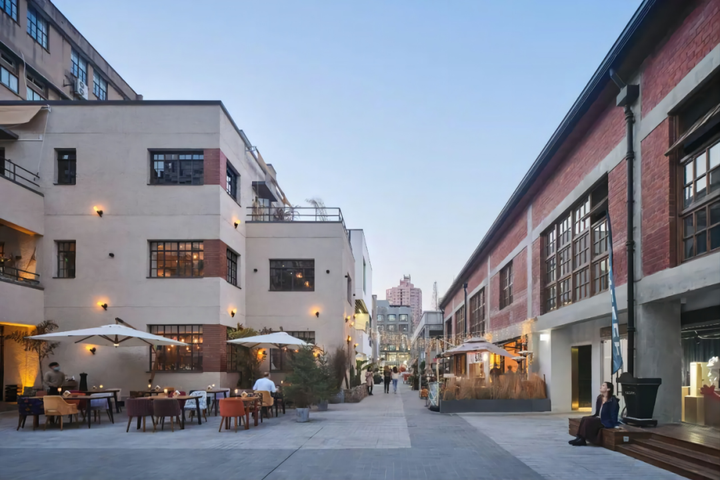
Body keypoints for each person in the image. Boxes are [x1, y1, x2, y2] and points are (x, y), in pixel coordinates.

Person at [569, 382, 620, 446]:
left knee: (588, 420)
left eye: (603, 385)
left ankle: (582, 439)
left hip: (605, 421)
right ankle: (579, 437)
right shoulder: (600, 398)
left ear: (608, 389)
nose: (601, 386)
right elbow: (597, 412)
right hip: (599, 418)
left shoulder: (613, 401)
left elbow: (613, 414)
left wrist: (615, 424)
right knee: (584, 418)